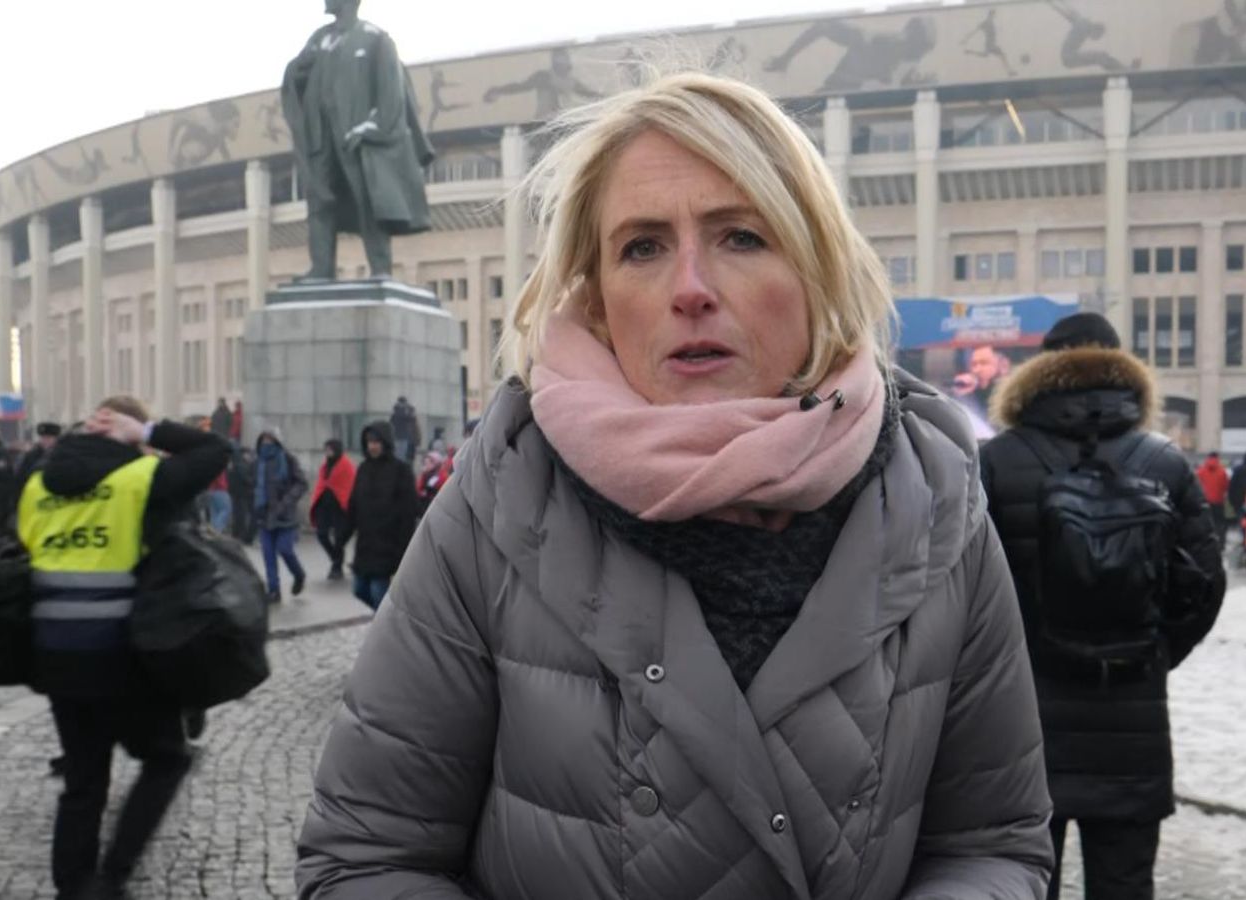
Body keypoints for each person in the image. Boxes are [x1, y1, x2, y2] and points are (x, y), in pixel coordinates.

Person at [296, 72, 1053, 898]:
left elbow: (995, 845)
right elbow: (363, 860)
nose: (690, 288)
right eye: (643, 247)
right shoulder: (497, 500)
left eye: (741, 236)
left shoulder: (936, 500)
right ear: (596, 295)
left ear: (817, 270)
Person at [979, 312, 1225, 900]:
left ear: (1038, 371)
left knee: (1026, 883)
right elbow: (1205, 584)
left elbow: (965, 591)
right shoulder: (1164, 461)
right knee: (1125, 883)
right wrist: (1152, 651)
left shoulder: (998, 462)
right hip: (1132, 721)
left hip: (1025, 726)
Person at [15, 395, 230, 899]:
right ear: (121, 437)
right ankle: (110, 878)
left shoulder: (37, 486)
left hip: (55, 651)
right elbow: (216, 449)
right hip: (118, 651)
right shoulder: (136, 480)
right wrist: (149, 430)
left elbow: (24, 546)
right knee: (167, 759)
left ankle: (73, 885)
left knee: (84, 778)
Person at [281, 0, 434, 282]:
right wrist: (298, 70)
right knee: (320, 201)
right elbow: (295, 78)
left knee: (369, 201)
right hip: (322, 139)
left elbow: (391, 92)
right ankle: (321, 268)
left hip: (359, 140)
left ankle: (380, 268)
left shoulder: (375, 39)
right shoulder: (320, 39)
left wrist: (372, 128)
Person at [339, 422, 416, 610]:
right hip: (366, 545)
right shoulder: (363, 469)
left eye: (376, 442)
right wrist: (342, 536)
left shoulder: (401, 471)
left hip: (388, 545)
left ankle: (385, 634)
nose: (372, 446)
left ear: (385, 442)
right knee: (359, 589)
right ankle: (391, 625)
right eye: (369, 442)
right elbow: (353, 505)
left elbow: (408, 513)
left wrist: (403, 553)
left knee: (378, 595)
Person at [253, 429, 308, 604]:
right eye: (264, 440)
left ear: (277, 441)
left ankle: (299, 575)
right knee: (268, 555)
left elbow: (301, 483)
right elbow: (251, 485)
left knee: (285, 549)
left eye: (270, 439)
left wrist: (286, 502)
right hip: (264, 516)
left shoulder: (287, 459)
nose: (266, 443)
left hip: (285, 516)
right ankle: (274, 591)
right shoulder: (257, 462)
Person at [310, 439, 356, 581]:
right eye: (326, 449)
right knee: (321, 534)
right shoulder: (325, 467)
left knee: (339, 539)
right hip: (324, 508)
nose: (328, 452)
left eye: (330, 449)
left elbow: (349, 486)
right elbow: (322, 484)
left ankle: (336, 567)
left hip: (340, 509)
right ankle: (336, 559)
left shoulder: (346, 465)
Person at [1195, 451, 1230, 540]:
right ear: (1217, 458)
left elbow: (1196, 486)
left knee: (1205, 522)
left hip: (1204, 501)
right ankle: (1220, 542)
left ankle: (1205, 541)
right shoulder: (1222, 472)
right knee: (1219, 523)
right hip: (1218, 501)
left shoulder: (1200, 471)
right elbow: (1226, 486)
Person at [389, 396, 419, 463]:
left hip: (397, 436)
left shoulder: (395, 411)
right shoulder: (403, 411)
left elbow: (391, 421)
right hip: (403, 436)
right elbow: (411, 419)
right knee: (401, 454)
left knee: (398, 453)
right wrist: (410, 411)